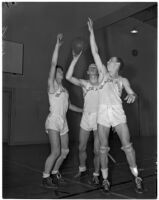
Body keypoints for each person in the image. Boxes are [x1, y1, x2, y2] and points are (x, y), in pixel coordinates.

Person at [87, 17, 144, 193]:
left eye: (111, 61)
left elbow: (131, 91)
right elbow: (95, 52)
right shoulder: (103, 73)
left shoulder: (122, 79)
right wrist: (91, 33)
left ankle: (136, 177)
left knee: (127, 146)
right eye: (108, 61)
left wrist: (133, 95)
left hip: (118, 115)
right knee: (103, 148)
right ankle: (105, 180)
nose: (107, 62)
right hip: (103, 115)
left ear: (117, 65)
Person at [42, 34, 82, 188]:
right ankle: (45, 178)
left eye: (61, 72)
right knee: (55, 151)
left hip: (63, 122)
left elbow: (70, 106)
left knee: (64, 151)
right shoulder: (52, 86)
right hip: (53, 121)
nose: (61, 73)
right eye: (59, 72)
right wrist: (57, 47)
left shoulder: (65, 90)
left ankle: (54, 173)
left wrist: (82, 110)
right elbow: (53, 64)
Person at [66, 50, 101, 186]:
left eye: (94, 67)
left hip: (98, 119)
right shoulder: (84, 83)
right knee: (81, 148)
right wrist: (75, 60)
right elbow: (68, 77)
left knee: (97, 150)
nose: (92, 67)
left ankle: (96, 174)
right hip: (86, 118)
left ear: (97, 71)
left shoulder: (102, 84)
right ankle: (82, 169)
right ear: (87, 72)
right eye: (90, 67)